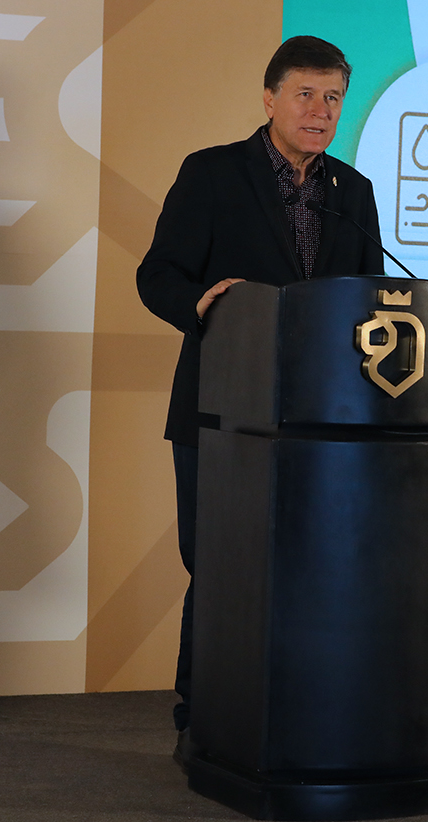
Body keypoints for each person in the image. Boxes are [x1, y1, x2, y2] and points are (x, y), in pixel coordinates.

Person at [136, 36, 384, 748]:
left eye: (333, 97)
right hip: (221, 412)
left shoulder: (353, 193)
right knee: (221, 566)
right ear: (270, 97)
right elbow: (158, 275)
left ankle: (297, 709)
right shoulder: (213, 174)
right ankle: (205, 714)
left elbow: (373, 301)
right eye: (305, 94)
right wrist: (200, 301)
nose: (320, 110)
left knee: (309, 566)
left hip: (321, 421)